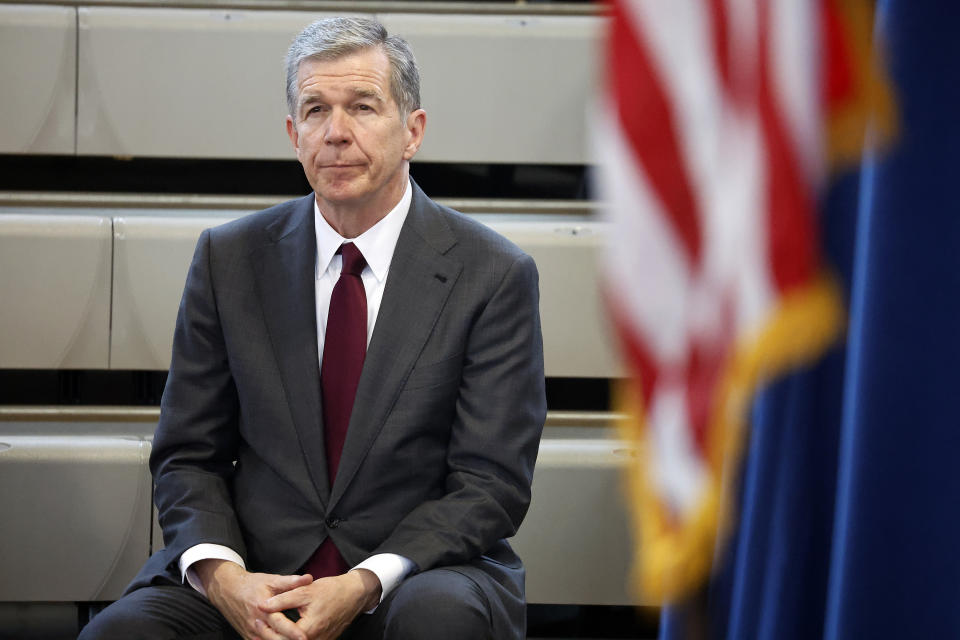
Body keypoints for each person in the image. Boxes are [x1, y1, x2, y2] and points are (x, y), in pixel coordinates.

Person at [79, 15, 546, 640]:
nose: (337, 133)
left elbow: (490, 484)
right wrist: (226, 579)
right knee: (122, 635)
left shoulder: (493, 274)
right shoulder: (229, 259)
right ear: (294, 134)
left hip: (415, 577)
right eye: (317, 110)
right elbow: (189, 455)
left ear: (413, 131)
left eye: (362, 107)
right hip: (258, 573)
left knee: (438, 619)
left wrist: (364, 581)